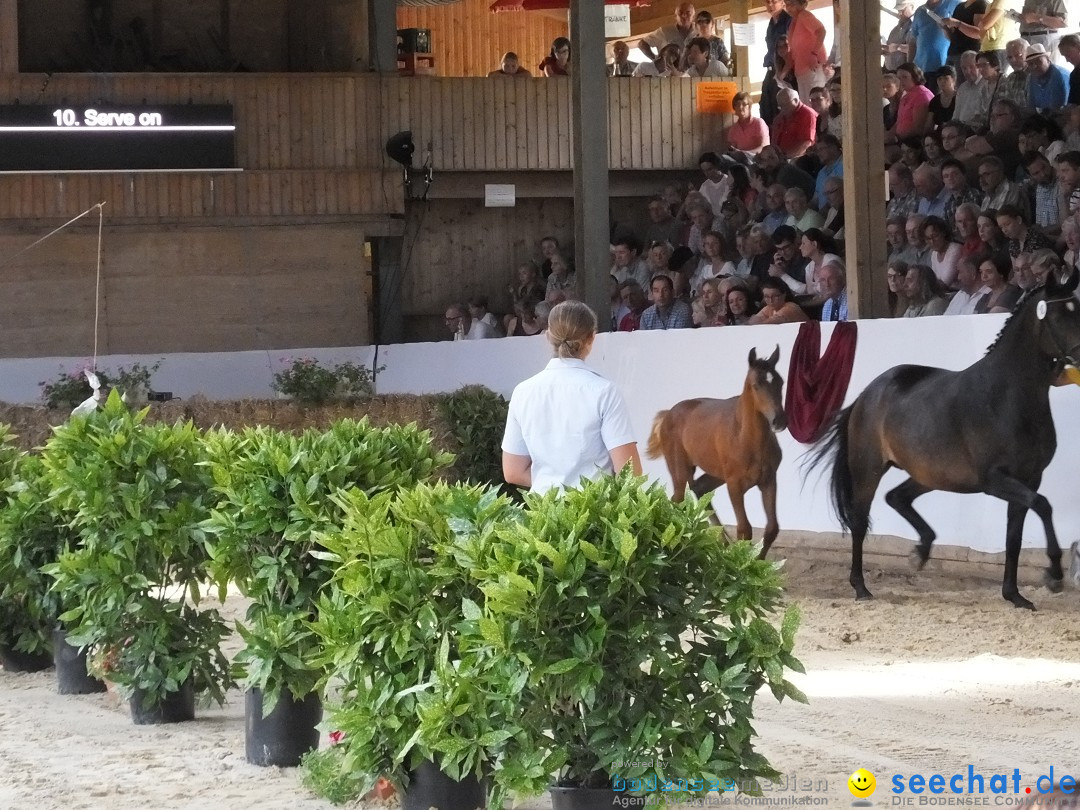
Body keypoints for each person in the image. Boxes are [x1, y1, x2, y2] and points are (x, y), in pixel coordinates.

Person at [501, 301, 642, 495]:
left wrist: (553, 483)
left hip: (542, 515)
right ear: (591, 338)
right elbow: (630, 472)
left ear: (548, 336)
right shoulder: (604, 391)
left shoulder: (522, 392)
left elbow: (513, 472)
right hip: (595, 510)